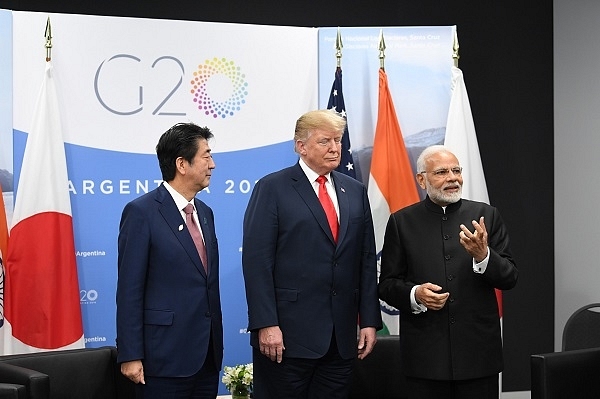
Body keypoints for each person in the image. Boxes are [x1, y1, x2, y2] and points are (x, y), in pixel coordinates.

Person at [242, 109, 382, 399]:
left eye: (338, 140)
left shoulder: (354, 190)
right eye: (325, 141)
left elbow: (366, 260)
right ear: (300, 146)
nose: (334, 148)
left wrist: (369, 320)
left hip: (340, 340)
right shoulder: (272, 188)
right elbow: (257, 263)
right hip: (286, 339)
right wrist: (266, 324)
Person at [378, 145, 518, 399]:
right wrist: (415, 294)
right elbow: (387, 284)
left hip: (478, 356)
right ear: (422, 179)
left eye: (456, 170)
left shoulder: (486, 215)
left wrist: (483, 256)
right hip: (426, 358)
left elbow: (509, 277)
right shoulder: (402, 222)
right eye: (442, 172)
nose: (452, 178)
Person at [116, 122, 223, 399]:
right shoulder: (141, 212)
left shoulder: (206, 213)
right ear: (182, 164)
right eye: (206, 156)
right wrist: (130, 355)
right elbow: (129, 291)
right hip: (162, 360)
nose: (212, 164)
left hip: (206, 359)